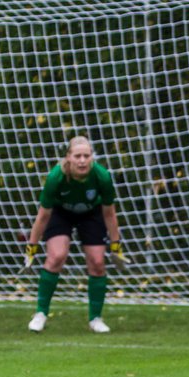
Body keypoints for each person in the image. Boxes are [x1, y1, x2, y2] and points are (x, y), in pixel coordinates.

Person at [23, 136, 123, 333]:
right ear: (68, 157)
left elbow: (109, 213)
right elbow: (43, 216)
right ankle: (41, 313)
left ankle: (95, 318)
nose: (82, 160)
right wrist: (31, 248)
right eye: (78, 156)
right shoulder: (55, 178)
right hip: (61, 214)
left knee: (97, 262)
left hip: (91, 214)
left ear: (92, 158)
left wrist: (116, 245)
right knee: (56, 256)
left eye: (87, 156)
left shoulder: (101, 176)